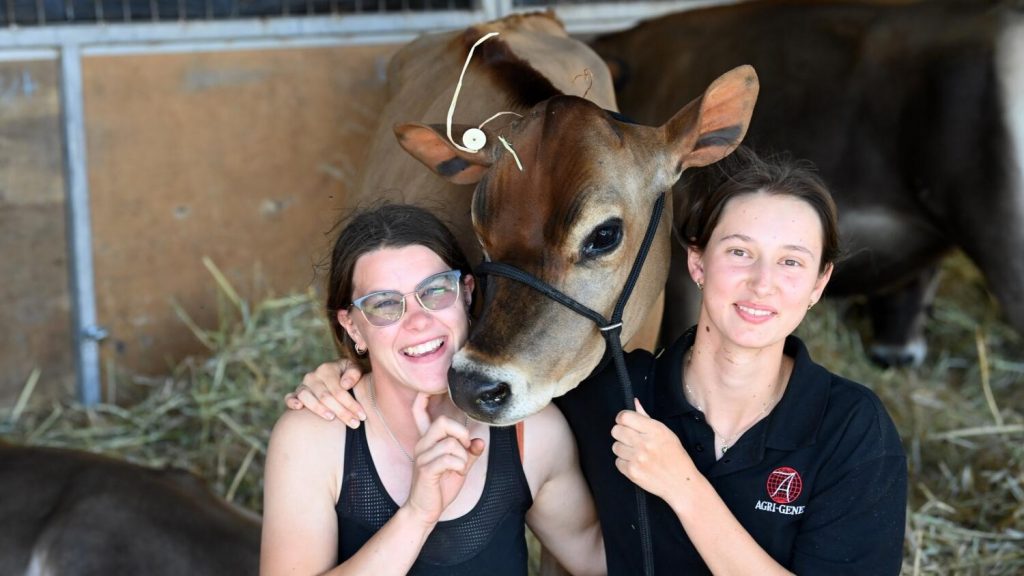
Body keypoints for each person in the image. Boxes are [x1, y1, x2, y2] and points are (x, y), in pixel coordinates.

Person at [288, 149, 908, 574]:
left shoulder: (852, 427)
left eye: (792, 262)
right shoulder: (607, 390)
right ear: (696, 262)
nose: (762, 284)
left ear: (821, 283)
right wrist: (350, 376)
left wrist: (683, 486)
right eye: (739, 252)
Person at [260, 204, 605, 575]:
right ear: (353, 327)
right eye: (385, 305)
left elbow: (597, 559)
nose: (419, 322)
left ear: (466, 294)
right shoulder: (312, 439)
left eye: (436, 290)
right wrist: (418, 514)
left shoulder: (531, 433)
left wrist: (676, 481)